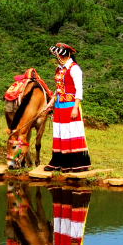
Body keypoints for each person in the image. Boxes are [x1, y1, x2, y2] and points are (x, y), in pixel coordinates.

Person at [42, 43, 91, 172]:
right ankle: (59, 161)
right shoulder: (59, 69)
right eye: (58, 57)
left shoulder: (74, 69)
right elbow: (58, 89)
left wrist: (75, 107)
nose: (60, 59)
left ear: (67, 56)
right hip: (58, 105)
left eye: (61, 56)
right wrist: (50, 103)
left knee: (72, 132)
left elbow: (79, 90)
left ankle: (76, 163)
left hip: (70, 105)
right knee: (60, 132)